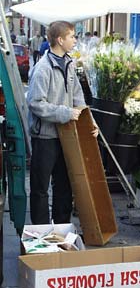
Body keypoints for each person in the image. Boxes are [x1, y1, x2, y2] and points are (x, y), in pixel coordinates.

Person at [27, 20, 98, 225]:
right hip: (45, 137)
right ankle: (41, 233)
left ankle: (61, 229)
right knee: (40, 188)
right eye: (72, 36)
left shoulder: (70, 63)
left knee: (64, 185)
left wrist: (89, 123)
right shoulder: (42, 69)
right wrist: (65, 113)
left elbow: (78, 98)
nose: (75, 40)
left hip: (67, 136)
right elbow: (35, 103)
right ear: (60, 39)